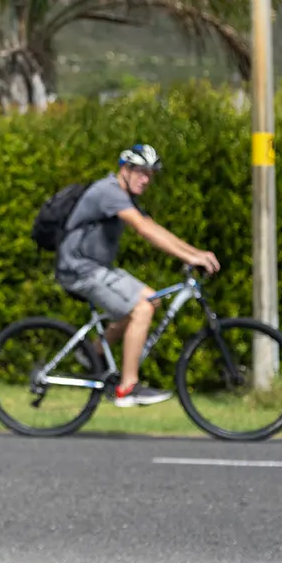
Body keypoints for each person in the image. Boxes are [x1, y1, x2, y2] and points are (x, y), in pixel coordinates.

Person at [54, 143, 220, 408]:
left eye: (150, 175)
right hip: (79, 269)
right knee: (141, 310)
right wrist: (190, 257)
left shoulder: (124, 195)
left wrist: (195, 252)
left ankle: (92, 353)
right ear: (125, 169)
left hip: (96, 268)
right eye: (141, 172)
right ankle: (127, 388)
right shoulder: (109, 192)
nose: (146, 180)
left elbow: (153, 226)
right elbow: (143, 229)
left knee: (151, 299)